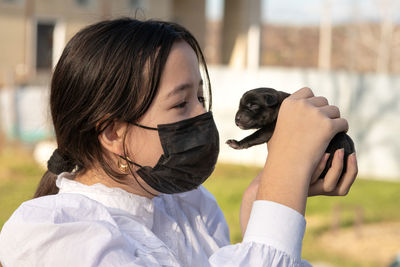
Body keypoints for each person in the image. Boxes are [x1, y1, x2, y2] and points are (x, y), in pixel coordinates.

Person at [0, 18, 357, 266]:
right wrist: (286, 174)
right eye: (181, 102)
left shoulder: (191, 208)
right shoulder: (53, 234)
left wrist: (261, 203)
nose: (201, 115)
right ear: (111, 133)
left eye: (200, 98)